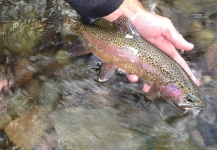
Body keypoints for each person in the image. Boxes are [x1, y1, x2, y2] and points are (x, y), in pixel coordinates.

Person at [64, 0, 200, 92]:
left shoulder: (168, 81)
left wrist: (135, 15)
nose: (186, 102)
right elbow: (151, 94)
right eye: (188, 99)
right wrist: (134, 15)